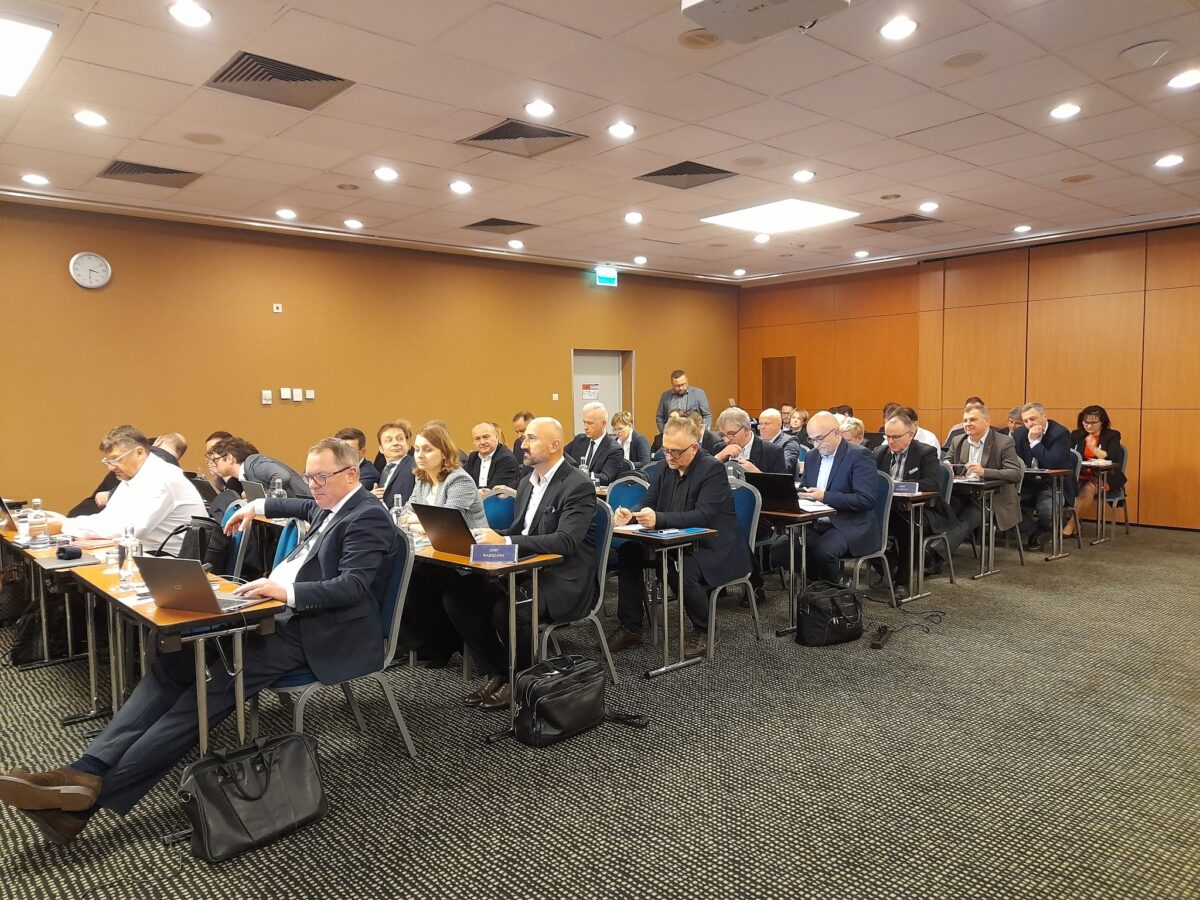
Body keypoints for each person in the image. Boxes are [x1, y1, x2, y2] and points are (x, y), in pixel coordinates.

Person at [0, 438, 398, 846]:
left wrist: (285, 592)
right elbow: (293, 505)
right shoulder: (327, 503)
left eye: (321, 477)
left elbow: (353, 586)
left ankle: (86, 802)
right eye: (308, 476)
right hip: (276, 614)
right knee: (171, 665)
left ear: (351, 474)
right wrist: (252, 506)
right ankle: (86, 769)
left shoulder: (367, 516)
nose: (312, 485)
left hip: (318, 630)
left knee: (208, 692)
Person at [444, 417, 598, 709]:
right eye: (524, 438)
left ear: (554, 446)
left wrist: (504, 541)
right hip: (524, 567)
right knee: (458, 596)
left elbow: (566, 542)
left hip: (563, 577)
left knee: (510, 607)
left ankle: (522, 681)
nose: (523, 444)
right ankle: (500, 670)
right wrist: (485, 537)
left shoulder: (578, 485)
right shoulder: (527, 482)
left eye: (531, 438)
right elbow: (521, 532)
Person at [608, 415, 750, 659]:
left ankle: (705, 629)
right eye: (665, 450)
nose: (669, 457)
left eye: (676, 452)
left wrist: (659, 519)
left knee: (680, 567)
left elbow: (703, 516)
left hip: (713, 545)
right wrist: (631, 514)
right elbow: (649, 501)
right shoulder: (664, 467)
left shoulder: (711, 469)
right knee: (629, 551)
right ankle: (631, 627)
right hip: (671, 540)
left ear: (694, 448)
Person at [397, 424, 486, 665]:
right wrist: (423, 522)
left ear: (444, 453)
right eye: (417, 449)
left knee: (419, 580)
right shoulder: (423, 480)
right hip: (437, 554)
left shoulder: (459, 480)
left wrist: (420, 521)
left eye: (427, 449)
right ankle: (432, 642)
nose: (420, 455)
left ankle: (445, 641)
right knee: (405, 579)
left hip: (468, 559)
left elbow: (445, 524)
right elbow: (405, 514)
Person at [48, 425, 208, 556]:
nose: (111, 467)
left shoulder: (163, 477)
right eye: (108, 461)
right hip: (146, 555)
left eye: (116, 459)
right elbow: (108, 518)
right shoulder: (132, 477)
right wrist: (65, 524)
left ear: (139, 452)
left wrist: (64, 525)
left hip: (173, 561)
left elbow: (132, 530)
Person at [771, 411, 878, 585]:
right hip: (815, 521)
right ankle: (818, 582)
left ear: (836, 432)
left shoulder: (860, 455)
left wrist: (825, 497)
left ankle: (833, 591)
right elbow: (806, 487)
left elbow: (865, 499)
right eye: (812, 439)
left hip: (849, 523)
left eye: (820, 438)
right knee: (780, 550)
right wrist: (797, 494)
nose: (816, 444)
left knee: (823, 552)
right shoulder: (812, 456)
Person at [874, 412, 953, 598]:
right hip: (889, 510)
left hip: (923, 510)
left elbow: (933, 484)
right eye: (887, 436)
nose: (890, 441)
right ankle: (888, 566)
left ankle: (903, 580)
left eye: (895, 437)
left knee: (908, 526)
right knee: (863, 522)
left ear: (910, 435)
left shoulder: (925, 452)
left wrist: (902, 485)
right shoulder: (879, 453)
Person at [938, 403, 1023, 561]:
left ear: (987, 421)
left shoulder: (1003, 442)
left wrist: (984, 472)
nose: (968, 424)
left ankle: (935, 555)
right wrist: (947, 467)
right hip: (964, 494)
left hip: (993, 498)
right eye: (965, 420)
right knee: (943, 510)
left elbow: (1015, 473)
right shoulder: (958, 441)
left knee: (970, 516)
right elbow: (947, 464)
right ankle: (927, 551)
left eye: (973, 420)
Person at [1012, 402, 1076, 550]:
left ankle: (1042, 530)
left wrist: (1034, 442)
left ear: (1044, 416)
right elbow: (1015, 460)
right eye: (1025, 421)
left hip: (1054, 484)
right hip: (1028, 483)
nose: (1029, 424)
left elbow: (1052, 462)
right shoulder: (1020, 433)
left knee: (1047, 510)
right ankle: (1034, 531)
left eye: (1033, 419)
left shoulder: (1060, 433)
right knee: (1003, 503)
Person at [1066, 405, 1127, 538]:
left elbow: (1113, 456)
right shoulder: (1076, 435)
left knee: (1088, 488)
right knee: (1066, 486)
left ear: (1102, 422)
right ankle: (1075, 525)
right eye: (1085, 422)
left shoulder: (1112, 435)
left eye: (1093, 422)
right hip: (1080, 474)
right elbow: (1070, 455)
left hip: (1104, 475)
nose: (1089, 426)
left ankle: (1070, 525)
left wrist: (1094, 450)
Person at [208, 437, 312, 498]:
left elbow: (282, 476)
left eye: (215, 460)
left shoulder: (254, 463)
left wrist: (269, 500)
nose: (213, 464)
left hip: (307, 505)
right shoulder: (246, 472)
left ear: (230, 458)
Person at [564, 402, 624, 486]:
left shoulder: (614, 449)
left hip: (595, 491)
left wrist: (581, 474)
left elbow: (606, 478)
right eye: (584, 422)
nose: (585, 427)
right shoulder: (579, 440)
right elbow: (562, 455)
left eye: (590, 423)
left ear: (603, 423)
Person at [713, 407, 788, 474]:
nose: (726, 440)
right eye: (722, 435)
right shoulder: (719, 448)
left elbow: (780, 484)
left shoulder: (773, 452)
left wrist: (758, 475)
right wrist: (718, 458)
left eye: (731, 434)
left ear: (746, 430)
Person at [372, 420, 416, 509]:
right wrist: (371, 497)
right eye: (389, 440)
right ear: (381, 449)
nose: (395, 443)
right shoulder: (381, 469)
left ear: (407, 444)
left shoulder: (415, 466)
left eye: (400, 438)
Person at [464, 421, 520, 491]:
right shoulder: (473, 457)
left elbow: (496, 490)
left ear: (496, 438)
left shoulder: (506, 459)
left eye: (486, 437)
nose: (482, 442)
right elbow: (463, 483)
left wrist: (473, 491)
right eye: (477, 439)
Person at [334, 427, 381, 491]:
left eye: (350, 450)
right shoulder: (332, 468)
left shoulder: (369, 475)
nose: (344, 454)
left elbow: (342, 494)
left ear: (362, 452)